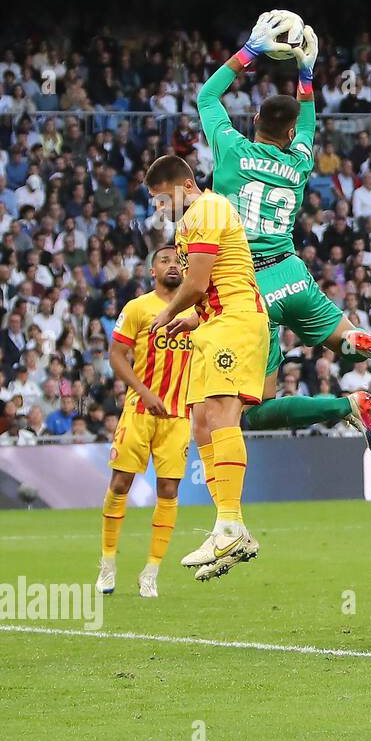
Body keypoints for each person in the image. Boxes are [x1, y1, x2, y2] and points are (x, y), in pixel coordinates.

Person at [192, 11, 371, 455]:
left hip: (249, 288)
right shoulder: (298, 162)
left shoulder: (230, 150)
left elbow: (207, 98)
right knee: (341, 343)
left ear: (252, 122)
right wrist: (306, 71)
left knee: (257, 409)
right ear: (288, 134)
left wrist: (251, 51)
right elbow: (308, 125)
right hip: (293, 273)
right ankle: (356, 338)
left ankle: (347, 404)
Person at [145, 155, 268, 582]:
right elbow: (215, 286)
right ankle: (231, 527)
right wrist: (192, 318)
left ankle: (230, 525)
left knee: (219, 412)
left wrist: (165, 313)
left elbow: (196, 284)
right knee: (201, 423)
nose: (160, 210)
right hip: (215, 322)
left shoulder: (209, 209)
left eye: (162, 200)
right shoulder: (188, 224)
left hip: (236, 322)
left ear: (185, 184)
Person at [96, 245, 193, 598]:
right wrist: (144, 391)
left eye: (178, 260)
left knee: (168, 490)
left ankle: (151, 571)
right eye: (164, 260)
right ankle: (107, 564)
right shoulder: (137, 308)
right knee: (120, 482)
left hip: (179, 414)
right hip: (139, 410)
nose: (172, 265)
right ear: (152, 271)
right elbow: (116, 356)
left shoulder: (198, 311)